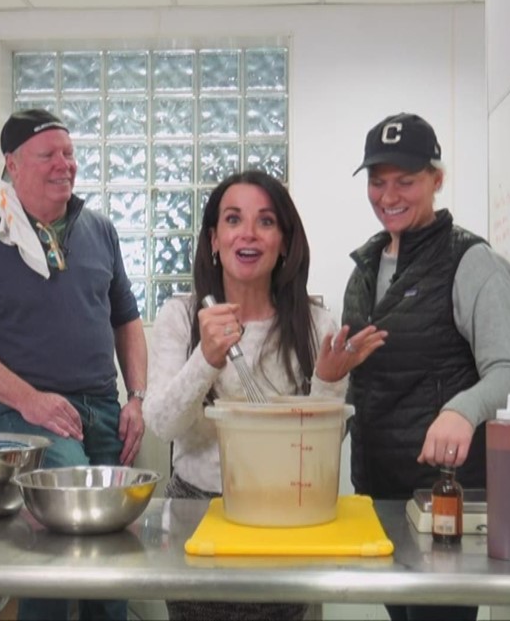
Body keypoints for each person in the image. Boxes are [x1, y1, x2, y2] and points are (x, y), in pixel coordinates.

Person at [0, 109, 146, 621]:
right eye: (47, 154)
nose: (63, 165)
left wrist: (137, 397)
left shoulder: (99, 229)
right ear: (12, 163)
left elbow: (127, 319)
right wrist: (31, 400)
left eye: (69, 153)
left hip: (100, 409)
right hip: (19, 414)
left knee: (114, 545)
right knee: (65, 528)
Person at [143, 170, 386, 621]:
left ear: (284, 243)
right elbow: (160, 423)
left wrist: (328, 382)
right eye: (233, 220)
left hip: (285, 518)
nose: (249, 234)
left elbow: (319, 450)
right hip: (197, 515)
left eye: (266, 222)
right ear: (214, 240)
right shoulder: (181, 314)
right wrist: (207, 358)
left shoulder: (314, 322)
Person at [342, 113, 510, 621]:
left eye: (406, 181)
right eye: (378, 182)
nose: (389, 195)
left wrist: (462, 411)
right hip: (377, 492)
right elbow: (357, 382)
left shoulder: (472, 262)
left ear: (437, 179)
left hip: (443, 501)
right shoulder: (362, 271)